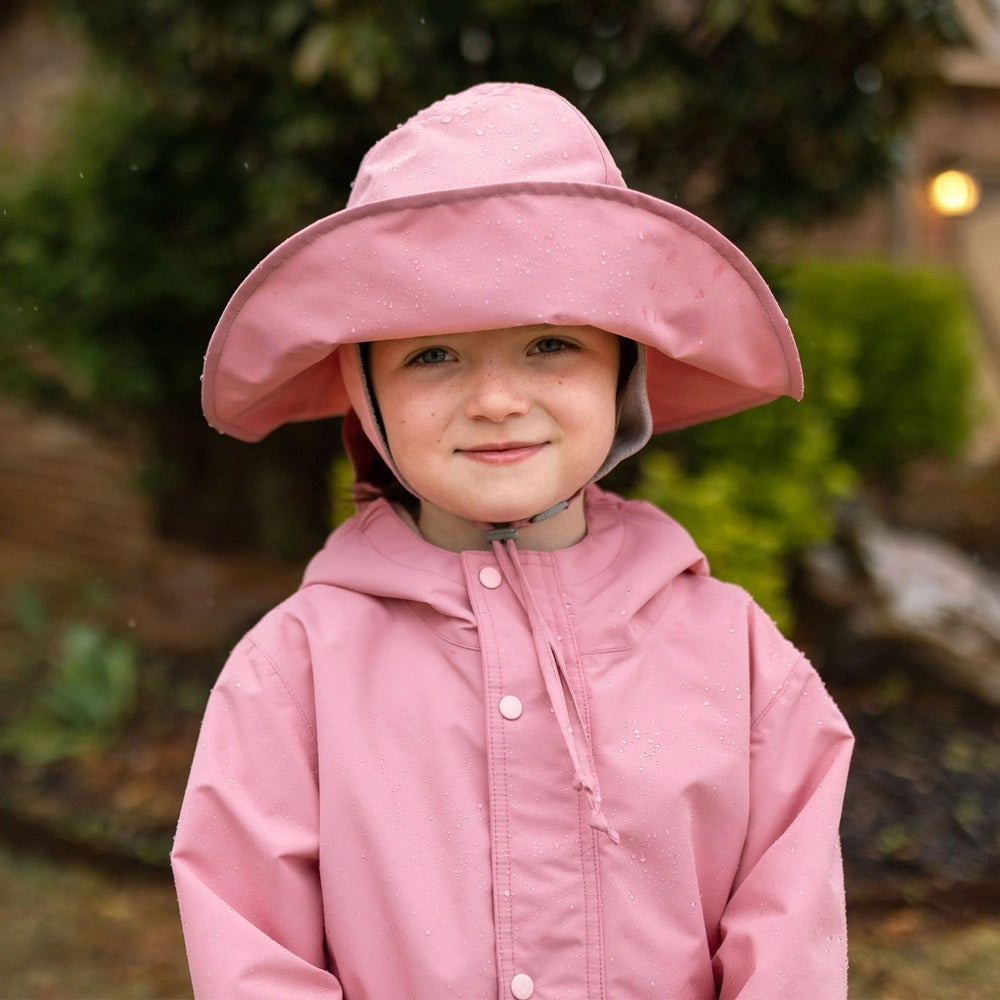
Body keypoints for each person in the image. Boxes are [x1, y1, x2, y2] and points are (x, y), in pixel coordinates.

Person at [171, 81, 854, 1000]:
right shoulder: (292, 675)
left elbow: (790, 957)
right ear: (361, 391)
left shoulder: (736, 659)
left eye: (549, 345)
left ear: (625, 366)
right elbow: (254, 961)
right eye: (432, 354)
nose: (496, 400)